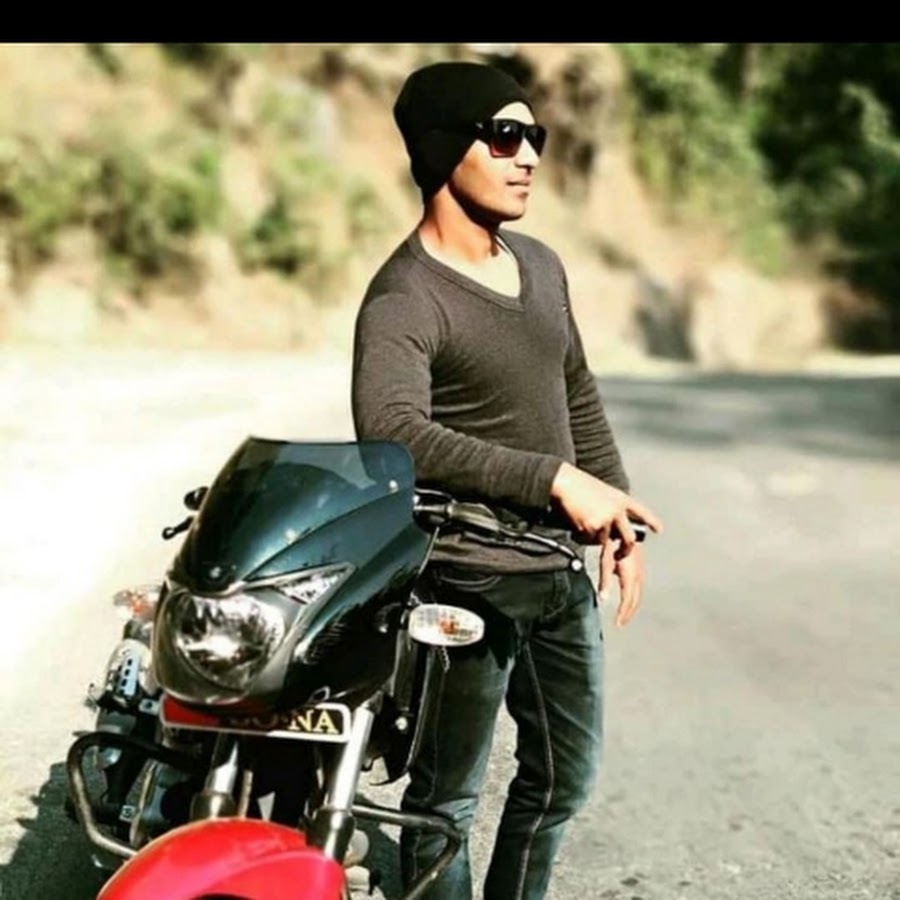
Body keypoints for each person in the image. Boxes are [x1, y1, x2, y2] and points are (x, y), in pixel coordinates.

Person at [351, 61, 663, 900]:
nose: (528, 156)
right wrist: (552, 478)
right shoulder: (406, 297)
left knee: (563, 781)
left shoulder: (542, 266)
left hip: (557, 573)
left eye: (534, 138)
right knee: (445, 804)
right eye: (505, 136)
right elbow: (392, 431)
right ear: (443, 148)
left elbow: (575, 389)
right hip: (464, 581)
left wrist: (613, 509)